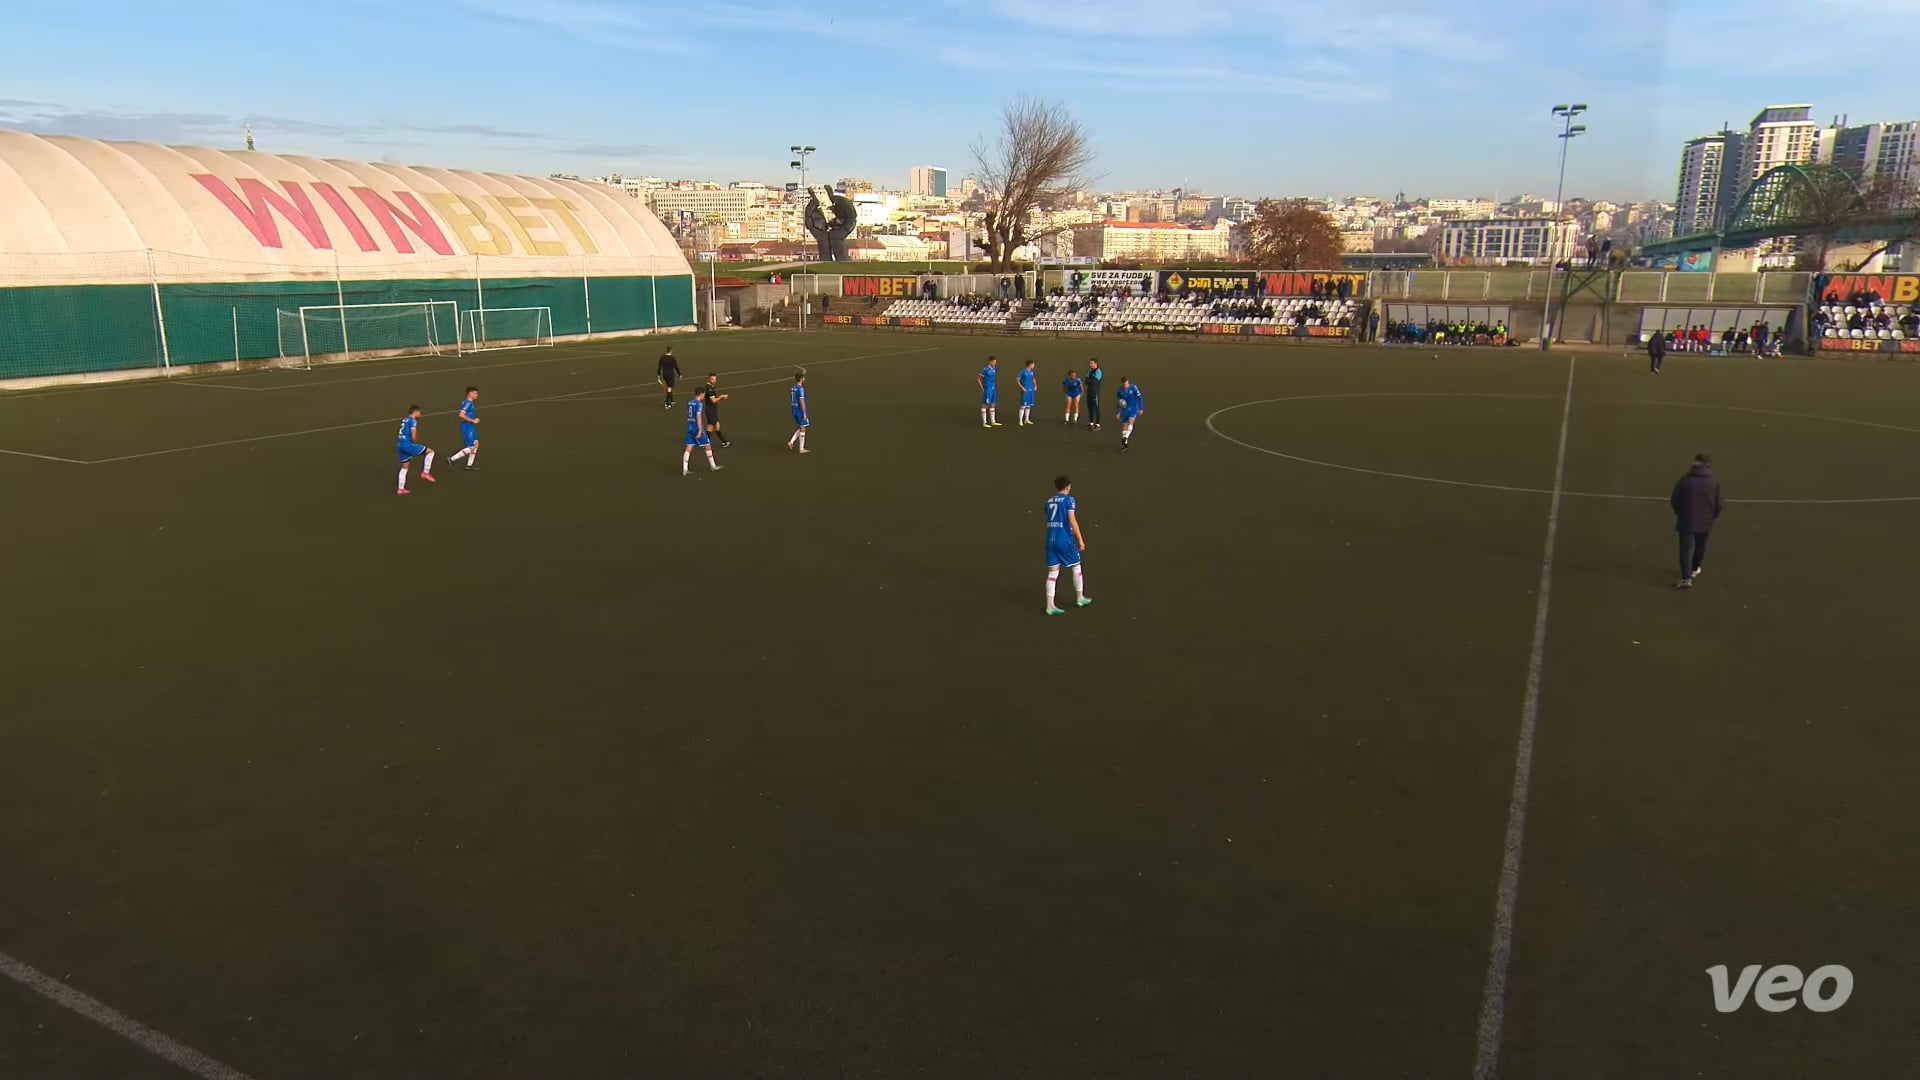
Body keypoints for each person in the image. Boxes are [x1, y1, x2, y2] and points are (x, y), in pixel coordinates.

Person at [1670, 453, 1723, 588]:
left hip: (1686, 519)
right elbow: (1719, 504)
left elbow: (1675, 499)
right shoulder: (1714, 481)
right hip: (1705, 521)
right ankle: (1694, 569)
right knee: (1701, 546)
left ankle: (1686, 578)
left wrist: (1679, 512)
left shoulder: (1685, 480)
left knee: (1685, 550)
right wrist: (1712, 516)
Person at [1044, 475, 1092, 616]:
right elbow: (1072, 521)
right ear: (1068, 486)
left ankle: (1050, 605)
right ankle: (1080, 598)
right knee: (1076, 567)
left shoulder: (1049, 501)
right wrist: (1080, 540)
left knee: (1052, 573)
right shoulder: (1069, 500)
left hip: (1050, 540)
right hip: (1064, 540)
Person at [395, 404, 435, 495]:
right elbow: (413, 436)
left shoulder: (404, 420)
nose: (420, 414)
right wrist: (413, 442)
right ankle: (425, 473)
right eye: (419, 413)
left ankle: (400, 489)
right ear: (415, 412)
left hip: (400, 445)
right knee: (430, 452)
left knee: (405, 467)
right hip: (407, 445)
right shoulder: (413, 421)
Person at [682, 387, 722, 476]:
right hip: (696, 427)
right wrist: (700, 430)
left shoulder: (689, 402)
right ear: (701, 394)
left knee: (689, 447)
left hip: (690, 427)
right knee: (707, 445)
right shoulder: (699, 404)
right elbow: (698, 417)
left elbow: (687, 413)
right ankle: (713, 466)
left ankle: (685, 469)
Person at [447, 386, 480, 471]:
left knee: (476, 445)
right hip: (467, 427)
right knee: (471, 447)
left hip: (471, 427)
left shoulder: (470, 403)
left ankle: (469, 466)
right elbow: (461, 415)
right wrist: (473, 420)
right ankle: (451, 459)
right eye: (475, 393)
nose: (477, 395)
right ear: (470, 393)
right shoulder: (467, 403)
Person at [702, 373, 730, 448]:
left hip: (713, 410)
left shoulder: (710, 386)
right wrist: (721, 397)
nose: (714, 381)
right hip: (710, 410)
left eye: (715, 379)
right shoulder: (709, 388)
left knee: (717, 426)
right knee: (710, 427)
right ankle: (705, 443)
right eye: (712, 379)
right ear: (709, 379)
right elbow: (713, 400)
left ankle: (724, 442)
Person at [1116, 377, 1144, 451]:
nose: (1126, 385)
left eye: (1127, 384)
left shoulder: (1134, 387)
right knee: (1124, 427)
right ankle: (1125, 445)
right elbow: (1119, 403)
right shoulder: (1120, 391)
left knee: (1131, 421)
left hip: (1134, 409)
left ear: (1128, 382)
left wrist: (1141, 408)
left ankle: (1126, 437)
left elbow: (1140, 397)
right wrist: (1118, 412)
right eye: (1124, 384)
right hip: (1125, 410)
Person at [786, 370, 810, 454]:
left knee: (801, 426)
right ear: (801, 379)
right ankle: (801, 448)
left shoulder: (793, 388)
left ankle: (791, 442)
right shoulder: (800, 389)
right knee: (803, 428)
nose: (804, 379)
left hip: (794, 409)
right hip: (800, 410)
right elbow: (802, 401)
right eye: (803, 377)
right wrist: (804, 413)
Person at [978, 356, 1001, 428]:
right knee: (985, 404)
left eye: (995, 362)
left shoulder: (994, 369)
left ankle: (993, 421)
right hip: (988, 388)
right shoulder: (985, 369)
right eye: (994, 362)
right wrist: (982, 388)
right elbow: (978, 378)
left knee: (993, 404)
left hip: (993, 388)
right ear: (990, 362)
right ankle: (984, 422)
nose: (995, 363)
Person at [1083, 358, 1105, 430]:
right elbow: (1086, 380)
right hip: (1089, 391)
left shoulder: (1098, 371)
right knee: (1090, 407)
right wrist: (1090, 380)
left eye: (1091, 363)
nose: (1090, 364)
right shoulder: (1090, 371)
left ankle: (1097, 424)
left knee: (1096, 408)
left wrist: (1090, 380)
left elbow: (1095, 382)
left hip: (1095, 392)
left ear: (1096, 363)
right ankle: (1091, 423)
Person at [1016, 360, 1038, 427]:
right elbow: (1017, 379)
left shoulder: (1031, 372)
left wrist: (1035, 385)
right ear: (1030, 365)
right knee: (1023, 406)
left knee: (1029, 406)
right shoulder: (1023, 371)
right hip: (1025, 390)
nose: (1034, 366)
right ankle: (1020, 421)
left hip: (1031, 390)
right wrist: (1022, 387)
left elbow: (1033, 378)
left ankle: (1026, 419)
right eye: (1033, 364)